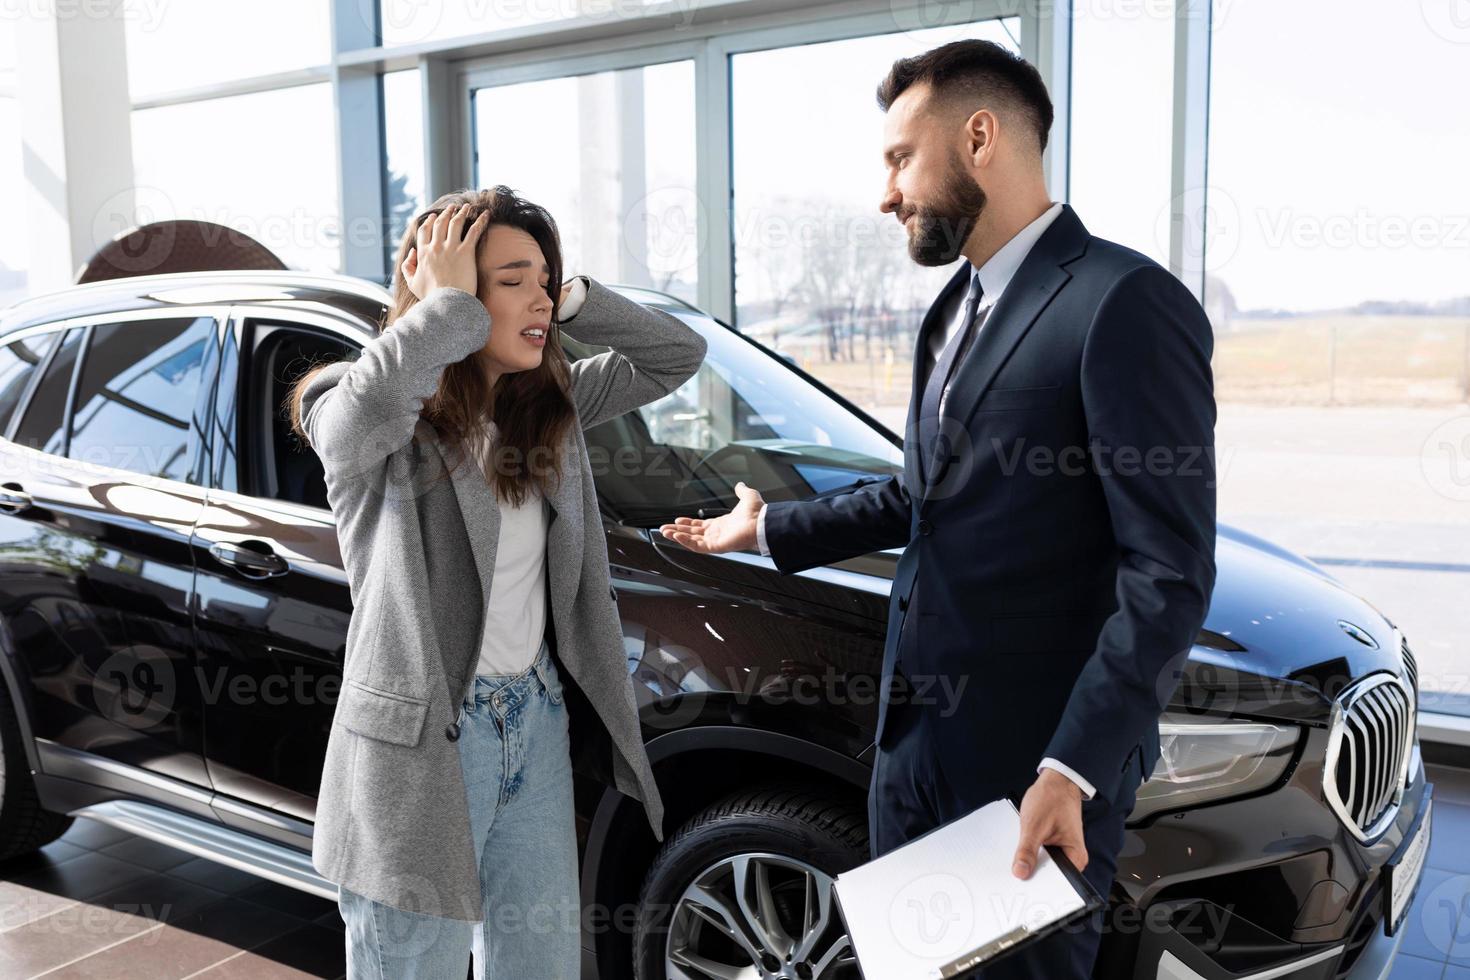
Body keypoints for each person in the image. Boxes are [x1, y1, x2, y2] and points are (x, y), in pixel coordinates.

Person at [658, 39, 1216, 979]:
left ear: (981, 137)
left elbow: (1167, 575)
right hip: (910, 755)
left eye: (898, 159)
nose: (887, 194)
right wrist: (769, 528)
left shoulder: (1124, 303)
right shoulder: (951, 309)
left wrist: (1070, 769)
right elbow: (928, 497)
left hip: (1036, 781)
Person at [288, 186, 707, 978]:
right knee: (417, 967)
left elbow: (674, 356)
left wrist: (572, 294)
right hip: (422, 751)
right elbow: (351, 417)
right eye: (512, 279)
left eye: (544, 279)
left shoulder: (547, 410)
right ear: (443, 288)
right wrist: (442, 308)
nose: (539, 299)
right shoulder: (362, 413)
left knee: (542, 966)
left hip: (534, 720)